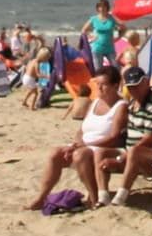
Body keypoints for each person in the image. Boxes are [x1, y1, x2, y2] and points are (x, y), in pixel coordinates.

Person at [26, 67, 126, 210]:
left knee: (81, 155)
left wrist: (84, 145)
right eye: (97, 84)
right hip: (85, 144)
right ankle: (41, 197)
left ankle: (93, 196)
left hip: (104, 147)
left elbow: (114, 137)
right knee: (55, 153)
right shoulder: (95, 102)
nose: (99, 88)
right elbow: (82, 129)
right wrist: (76, 143)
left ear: (115, 86)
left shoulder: (120, 106)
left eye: (102, 85)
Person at [107, 67, 152, 206]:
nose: (134, 90)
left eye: (137, 86)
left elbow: (150, 139)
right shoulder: (133, 103)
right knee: (100, 153)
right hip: (131, 148)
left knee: (134, 152)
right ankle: (101, 196)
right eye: (131, 87)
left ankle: (121, 195)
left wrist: (123, 156)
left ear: (146, 82)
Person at [83, 0, 120, 71]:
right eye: (100, 7)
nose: (102, 8)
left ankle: (115, 82)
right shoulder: (94, 19)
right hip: (97, 48)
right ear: (97, 8)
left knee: (116, 68)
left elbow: (123, 27)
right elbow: (84, 30)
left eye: (104, 6)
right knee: (98, 70)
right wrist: (91, 36)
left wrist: (118, 37)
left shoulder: (111, 18)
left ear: (107, 7)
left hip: (110, 48)